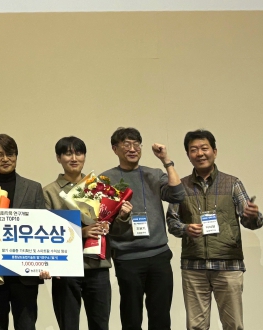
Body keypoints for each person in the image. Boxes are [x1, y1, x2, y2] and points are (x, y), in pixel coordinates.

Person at [166, 129, 262, 330]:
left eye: (204, 148)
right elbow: (172, 222)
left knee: (233, 325)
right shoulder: (181, 186)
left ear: (214, 151)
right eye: (194, 150)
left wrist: (253, 216)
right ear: (188, 155)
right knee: (196, 326)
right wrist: (185, 228)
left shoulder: (232, 183)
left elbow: (251, 222)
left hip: (228, 265)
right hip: (194, 267)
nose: (200, 153)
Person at [102, 127, 184, 330]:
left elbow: (177, 194)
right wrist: (122, 217)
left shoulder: (153, 174)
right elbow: (105, 222)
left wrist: (166, 161)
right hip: (127, 258)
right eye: (126, 144)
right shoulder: (106, 180)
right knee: (131, 318)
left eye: (136, 144)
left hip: (158, 255)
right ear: (115, 149)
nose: (132, 149)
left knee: (161, 316)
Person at [0, 133, 45, 330]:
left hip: (26, 275)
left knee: (27, 326)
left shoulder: (34, 188)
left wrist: (46, 262)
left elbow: (42, 228)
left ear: (16, 156)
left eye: (10, 154)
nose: (5, 159)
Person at [42, 136, 113, 330]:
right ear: (58, 158)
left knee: (100, 325)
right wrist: (81, 232)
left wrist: (116, 219)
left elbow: (111, 222)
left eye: (78, 153)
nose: (74, 158)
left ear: (84, 156)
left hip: (97, 266)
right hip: (65, 270)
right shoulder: (49, 192)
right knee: (68, 325)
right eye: (67, 154)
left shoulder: (99, 187)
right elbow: (47, 233)